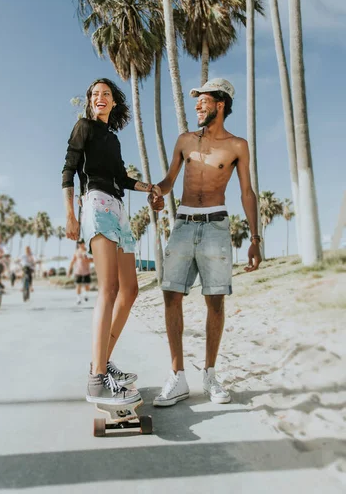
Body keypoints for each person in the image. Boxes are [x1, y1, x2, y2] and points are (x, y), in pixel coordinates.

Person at [149, 78, 262, 407]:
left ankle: (210, 374)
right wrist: (158, 193)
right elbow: (169, 180)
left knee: (215, 301)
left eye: (204, 101)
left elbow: (246, 192)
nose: (197, 106)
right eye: (196, 101)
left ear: (221, 104)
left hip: (215, 226)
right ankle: (178, 376)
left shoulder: (237, 146)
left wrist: (255, 239)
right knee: (172, 295)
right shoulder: (185, 140)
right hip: (183, 223)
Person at [62, 78, 161, 406]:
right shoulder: (84, 127)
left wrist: (149, 188)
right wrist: (70, 215)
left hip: (117, 207)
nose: (99, 98)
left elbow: (121, 177)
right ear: (90, 102)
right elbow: (68, 170)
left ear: (114, 102)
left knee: (130, 289)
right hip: (95, 203)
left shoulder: (113, 140)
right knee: (109, 289)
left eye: (105, 94)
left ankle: (102, 364)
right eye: (94, 94)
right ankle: (96, 379)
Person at [68, 239, 92, 304]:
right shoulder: (76, 252)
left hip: (87, 271)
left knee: (87, 285)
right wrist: (69, 271)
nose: (80, 244)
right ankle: (78, 298)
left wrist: (87, 260)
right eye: (79, 243)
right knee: (78, 285)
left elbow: (93, 260)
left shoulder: (87, 251)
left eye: (81, 243)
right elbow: (72, 261)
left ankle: (85, 294)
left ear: (84, 243)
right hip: (78, 272)